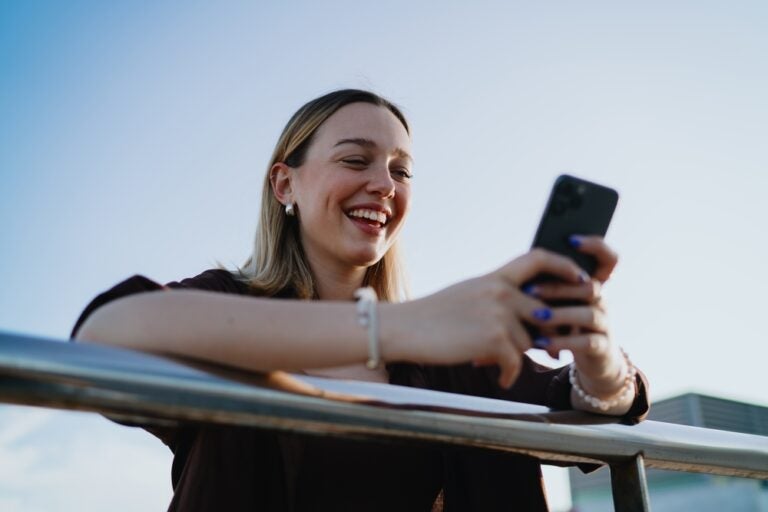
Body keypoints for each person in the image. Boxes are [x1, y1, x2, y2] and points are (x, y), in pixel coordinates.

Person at [72, 89, 649, 511]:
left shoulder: (448, 349)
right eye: (355, 159)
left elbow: (587, 409)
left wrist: (598, 357)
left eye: (402, 171)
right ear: (285, 184)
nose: (385, 185)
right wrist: (391, 327)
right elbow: (103, 336)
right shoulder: (226, 304)